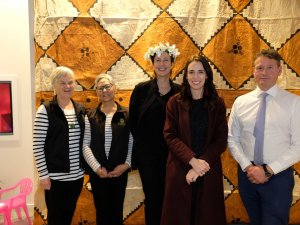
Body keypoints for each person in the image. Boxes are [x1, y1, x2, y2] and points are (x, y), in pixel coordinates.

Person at [228, 49, 300, 225]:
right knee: (254, 220)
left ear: (279, 70)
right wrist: (248, 167)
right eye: (260, 68)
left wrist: (268, 170)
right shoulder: (241, 102)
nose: (264, 72)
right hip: (247, 175)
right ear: (253, 71)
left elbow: (298, 145)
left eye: (270, 67)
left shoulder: (293, 103)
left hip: (278, 177)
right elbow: (232, 139)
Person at [161, 55, 227, 225]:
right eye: (191, 72)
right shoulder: (174, 102)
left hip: (208, 168)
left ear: (207, 76)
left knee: (207, 215)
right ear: (185, 76)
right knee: (179, 216)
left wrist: (199, 165)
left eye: (200, 72)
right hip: (180, 167)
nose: (195, 77)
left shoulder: (217, 103)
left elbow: (220, 139)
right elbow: (170, 135)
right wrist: (192, 161)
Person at [129, 42, 181, 225]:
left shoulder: (180, 92)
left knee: (171, 199)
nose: (162, 64)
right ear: (152, 63)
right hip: (148, 157)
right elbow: (133, 124)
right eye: (158, 60)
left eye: (166, 60)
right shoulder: (141, 90)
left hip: (173, 156)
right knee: (153, 199)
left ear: (172, 63)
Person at [33, 66, 85, 225]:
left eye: (70, 82)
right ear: (54, 85)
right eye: (62, 83)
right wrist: (43, 175)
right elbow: (37, 145)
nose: (67, 86)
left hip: (77, 177)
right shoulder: (46, 109)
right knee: (56, 219)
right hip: (55, 178)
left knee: (68, 216)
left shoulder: (79, 109)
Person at [83, 74, 132, 225]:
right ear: (96, 92)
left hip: (120, 173)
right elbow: (85, 144)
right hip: (99, 174)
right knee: (102, 214)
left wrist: (126, 165)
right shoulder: (90, 116)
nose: (104, 91)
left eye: (107, 86)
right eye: (100, 88)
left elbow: (131, 142)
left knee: (117, 213)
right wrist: (97, 169)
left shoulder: (127, 114)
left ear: (115, 88)